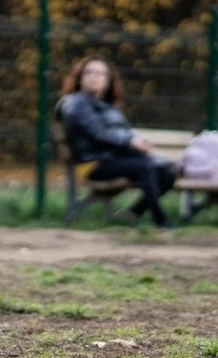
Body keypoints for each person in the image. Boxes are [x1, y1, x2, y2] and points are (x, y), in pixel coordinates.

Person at [58, 54, 176, 228]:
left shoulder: (107, 106)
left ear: (108, 80)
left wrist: (136, 139)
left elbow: (124, 131)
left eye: (100, 73)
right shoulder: (76, 103)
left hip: (114, 159)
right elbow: (97, 133)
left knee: (167, 173)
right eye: (89, 72)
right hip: (93, 164)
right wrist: (130, 142)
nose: (94, 76)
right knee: (144, 167)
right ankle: (162, 221)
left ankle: (134, 212)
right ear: (80, 78)